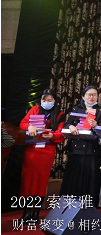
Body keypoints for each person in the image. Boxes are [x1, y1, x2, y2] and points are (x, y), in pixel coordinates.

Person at [19, 89, 65, 222]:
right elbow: (23, 123)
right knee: (28, 180)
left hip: (47, 150)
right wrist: (29, 127)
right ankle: (26, 212)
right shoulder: (35, 109)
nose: (46, 102)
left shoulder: (59, 114)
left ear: (54, 101)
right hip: (32, 149)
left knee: (41, 181)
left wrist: (52, 135)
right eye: (44, 100)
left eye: (50, 100)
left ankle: (36, 213)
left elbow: (61, 132)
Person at [60, 85, 101, 204]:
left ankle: (88, 206)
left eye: (94, 95)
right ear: (83, 96)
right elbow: (67, 124)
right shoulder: (76, 109)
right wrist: (70, 126)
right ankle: (69, 206)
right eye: (89, 95)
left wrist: (96, 126)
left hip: (92, 150)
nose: (92, 97)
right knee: (73, 179)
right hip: (75, 150)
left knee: (90, 180)